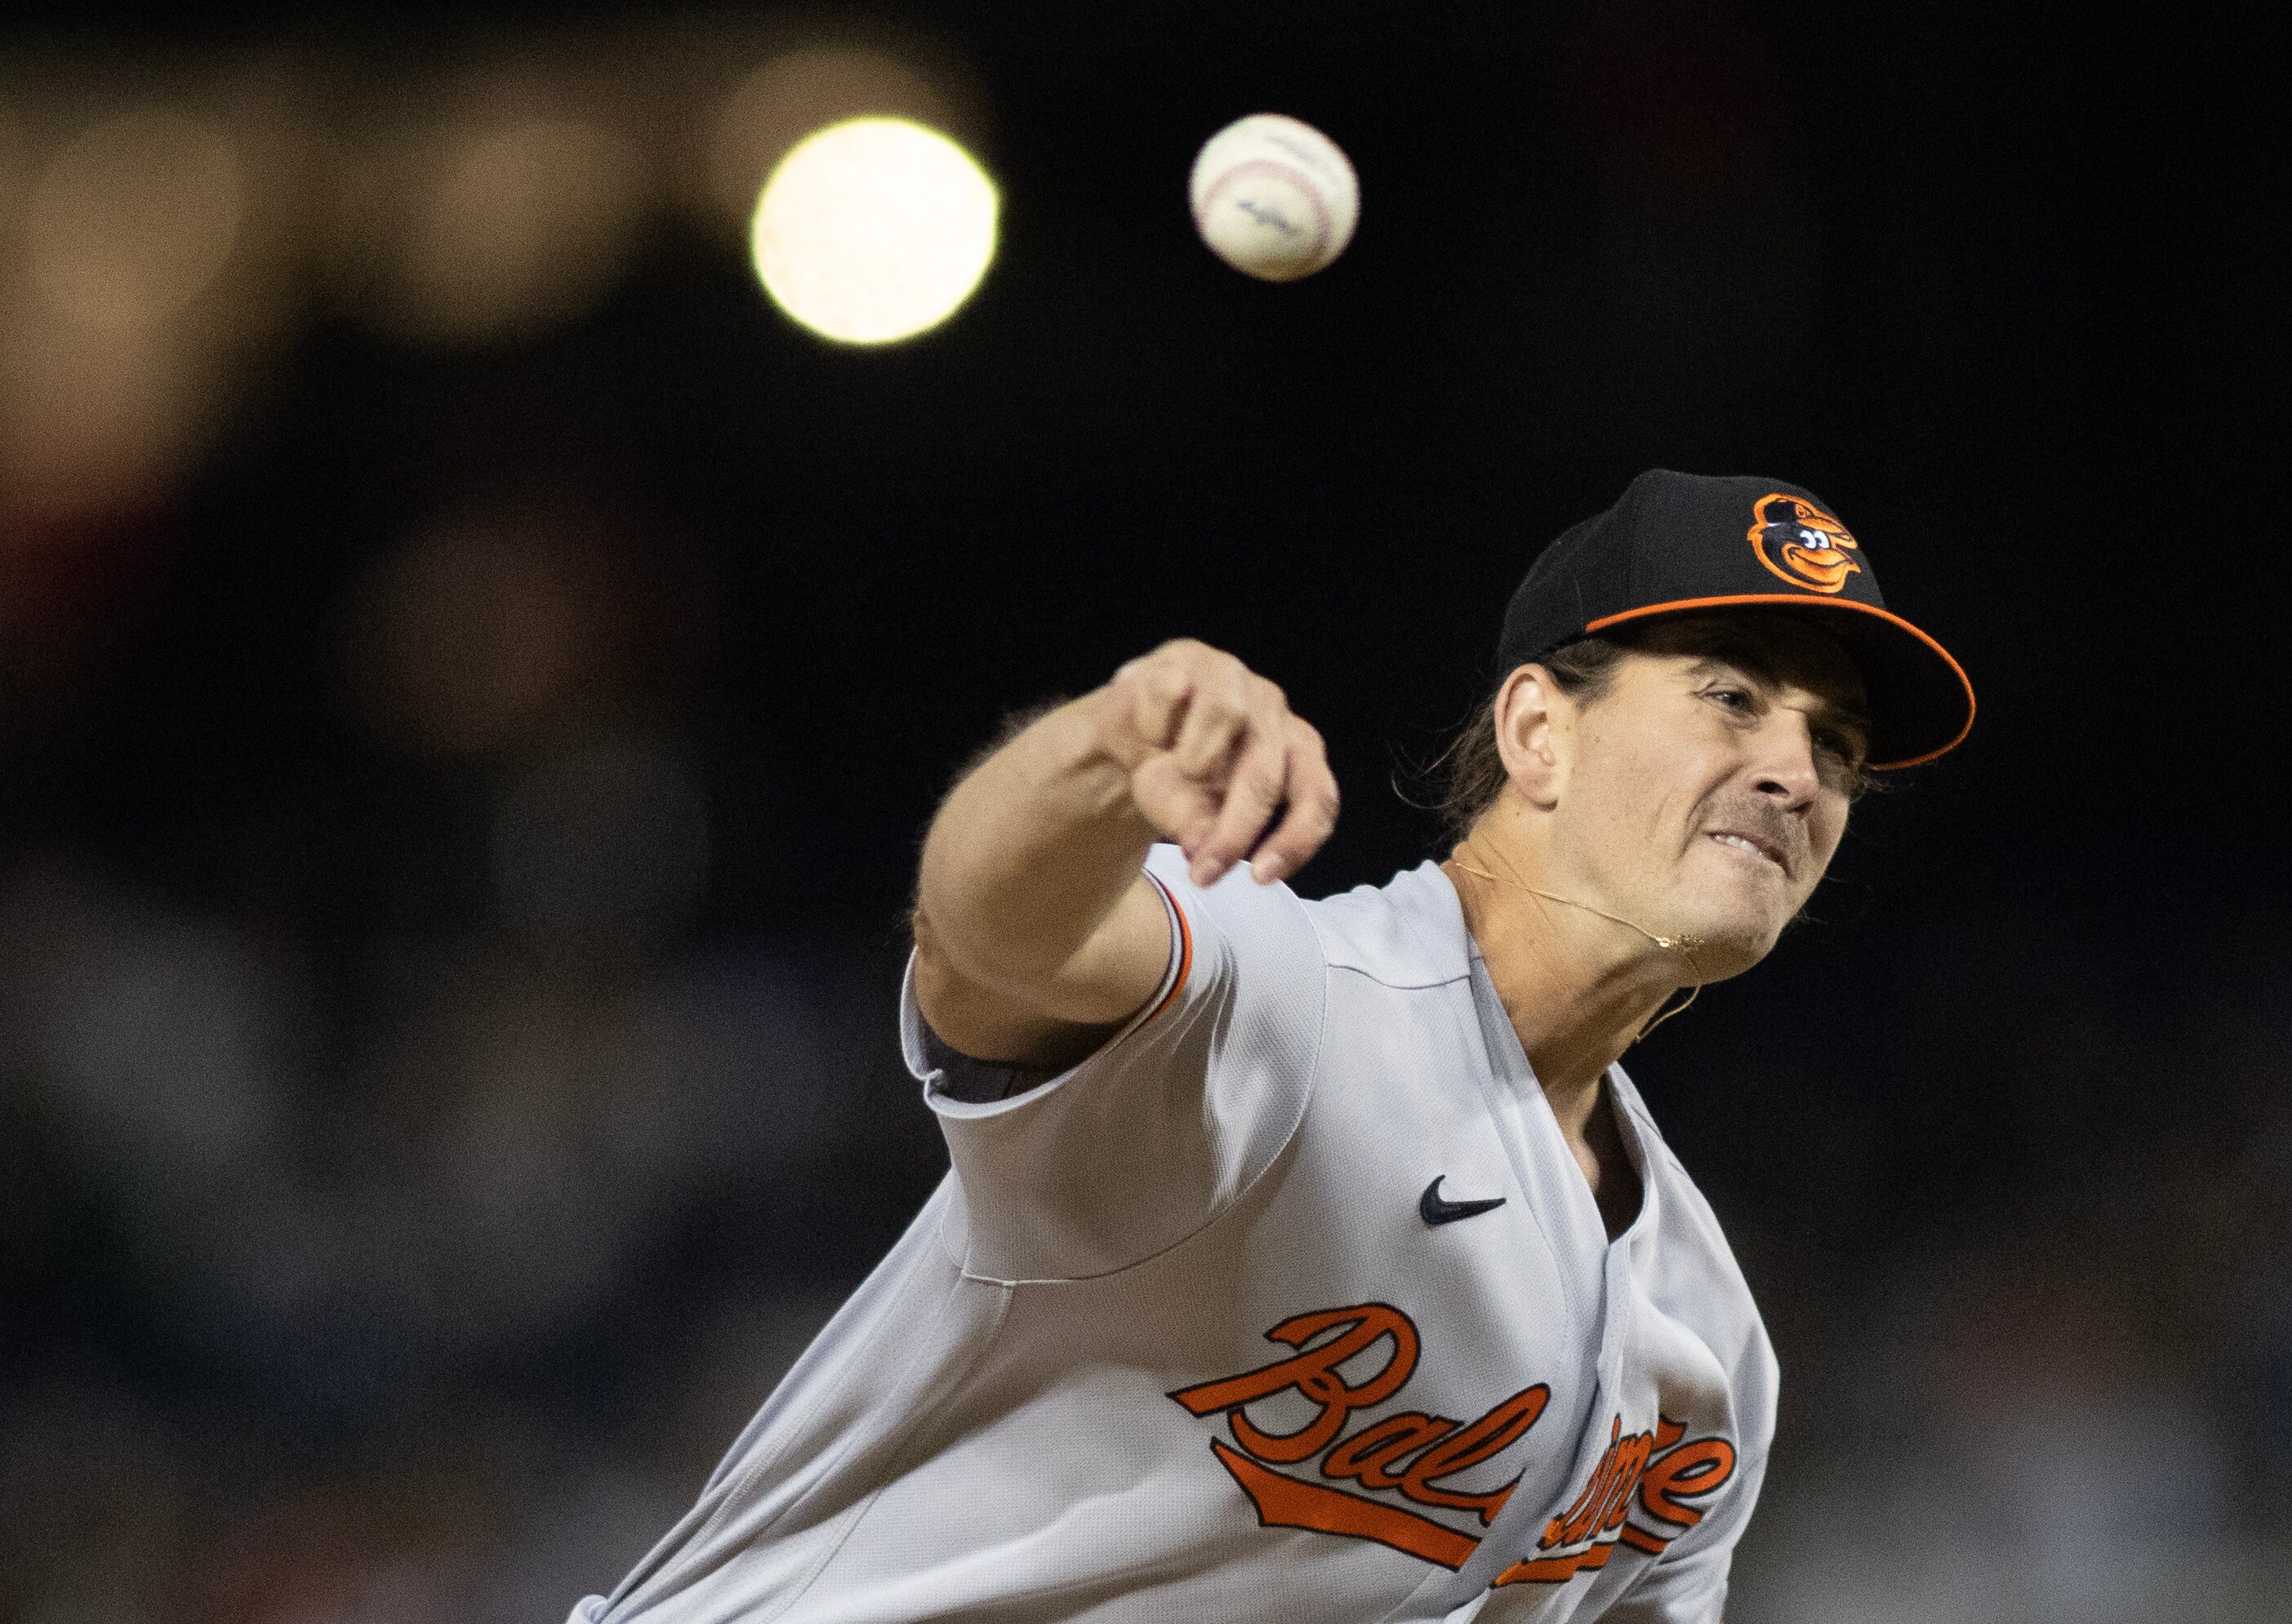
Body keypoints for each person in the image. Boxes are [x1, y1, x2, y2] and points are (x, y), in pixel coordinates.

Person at [570, 469, 1974, 1624]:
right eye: (1731, 696)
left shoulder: (1705, 1344)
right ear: (1539, 730)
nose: (1796, 771)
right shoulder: (1289, 1001)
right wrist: (1106, 756)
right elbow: (986, 939)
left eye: (1836, 743)